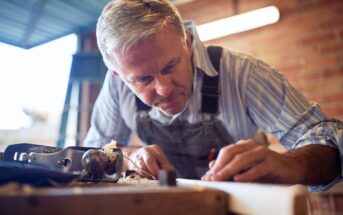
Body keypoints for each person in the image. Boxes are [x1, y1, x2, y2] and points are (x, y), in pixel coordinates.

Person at [83, 0, 343, 191]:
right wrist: (128, 157)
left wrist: (292, 164)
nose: (164, 89)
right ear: (117, 74)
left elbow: (328, 137)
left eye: (170, 66)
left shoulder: (243, 74)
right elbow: (91, 154)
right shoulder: (115, 86)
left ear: (186, 42)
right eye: (143, 79)